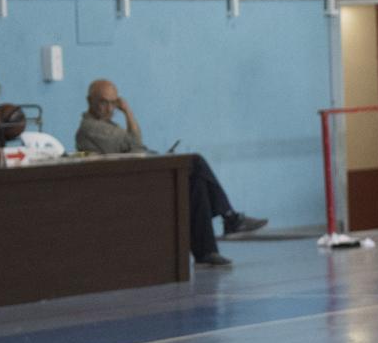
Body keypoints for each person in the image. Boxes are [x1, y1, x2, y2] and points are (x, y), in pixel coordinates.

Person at [73, 81, 266, 267]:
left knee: (196, 183)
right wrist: (128, 112)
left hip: (136, 171)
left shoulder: (109, 125)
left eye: (114, 103)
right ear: (90, 101)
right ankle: (230, 218)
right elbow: (136, 143)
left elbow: (134, 144)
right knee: (195, 162)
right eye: (103, 102)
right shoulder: (90, 128)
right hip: (126, 183)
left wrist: (127, 114)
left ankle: (207, 251)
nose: (110, 108)